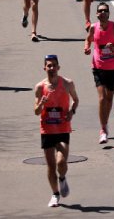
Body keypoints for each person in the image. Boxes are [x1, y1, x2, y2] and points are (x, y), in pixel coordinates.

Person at [34, 54, 79, 208]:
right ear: (44, 68)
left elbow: (76, 100)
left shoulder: (67, 83)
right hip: (46, 129)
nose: (51, 68)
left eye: (54, 65)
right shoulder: (40, 87)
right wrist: (41, 103)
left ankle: (63, 178)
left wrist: (72, 112)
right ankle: (55, 194)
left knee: (61, 161)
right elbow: (36, 111)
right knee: (51, 165)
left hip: (62, 128)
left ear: (58, 67)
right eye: (49, 65)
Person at [84, 2, 114, 144]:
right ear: (96, 14)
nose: (102, 13)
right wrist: (87, 48)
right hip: (98, 67)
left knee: (109, 99)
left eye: (105, 11)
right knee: (102, 98)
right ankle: (103, 129)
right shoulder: (93, 28)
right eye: (100, 11)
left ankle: (105, 123)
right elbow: (88, 40)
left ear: (108, 13)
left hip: (112, 68)